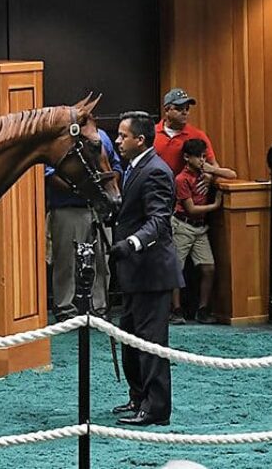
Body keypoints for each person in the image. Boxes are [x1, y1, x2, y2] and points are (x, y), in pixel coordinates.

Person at [109, 110, 184, 426]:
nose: (117, 141)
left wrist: (131, 244)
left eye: (123, 136)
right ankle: (139, 397)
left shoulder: (155, 171)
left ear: (140, 139)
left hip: (151, 272)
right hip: (135, 274)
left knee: (150, 343)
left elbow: (157, 220)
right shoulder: (133, 168)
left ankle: (156, 409)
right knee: (130, 338)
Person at [47, 128, 122, 321]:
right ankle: (65, 309)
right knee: (65, 260)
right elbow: (48, 174)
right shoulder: (60, 140)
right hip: (68, 207)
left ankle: (99, 307)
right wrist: (80, 191)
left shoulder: (103, 137)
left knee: (101, 260)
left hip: (99, 208)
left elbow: (115, 167)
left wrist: (105, 190)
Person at [170, 139, 236, 325]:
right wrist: (215, 205)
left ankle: (203, 309)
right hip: (182, 226)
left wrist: (211, 171)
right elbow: (190, 209)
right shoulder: (181, 179)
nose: (201, 160)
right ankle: (176, 309)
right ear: (186, 157)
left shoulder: (204, 173)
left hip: (200, 228)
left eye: (203, 157)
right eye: (198, 157)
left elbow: (232, 174)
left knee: (209, 267)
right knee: (176, 269)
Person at [154, 88, 224, 177]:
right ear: (167, 110)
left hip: (185, 188)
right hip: (157, 187)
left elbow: (214, 165)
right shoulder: (152, 133)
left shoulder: (198, 135)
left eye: (187, 109)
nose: (184, 112)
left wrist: (210, 177)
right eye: (179, 109)